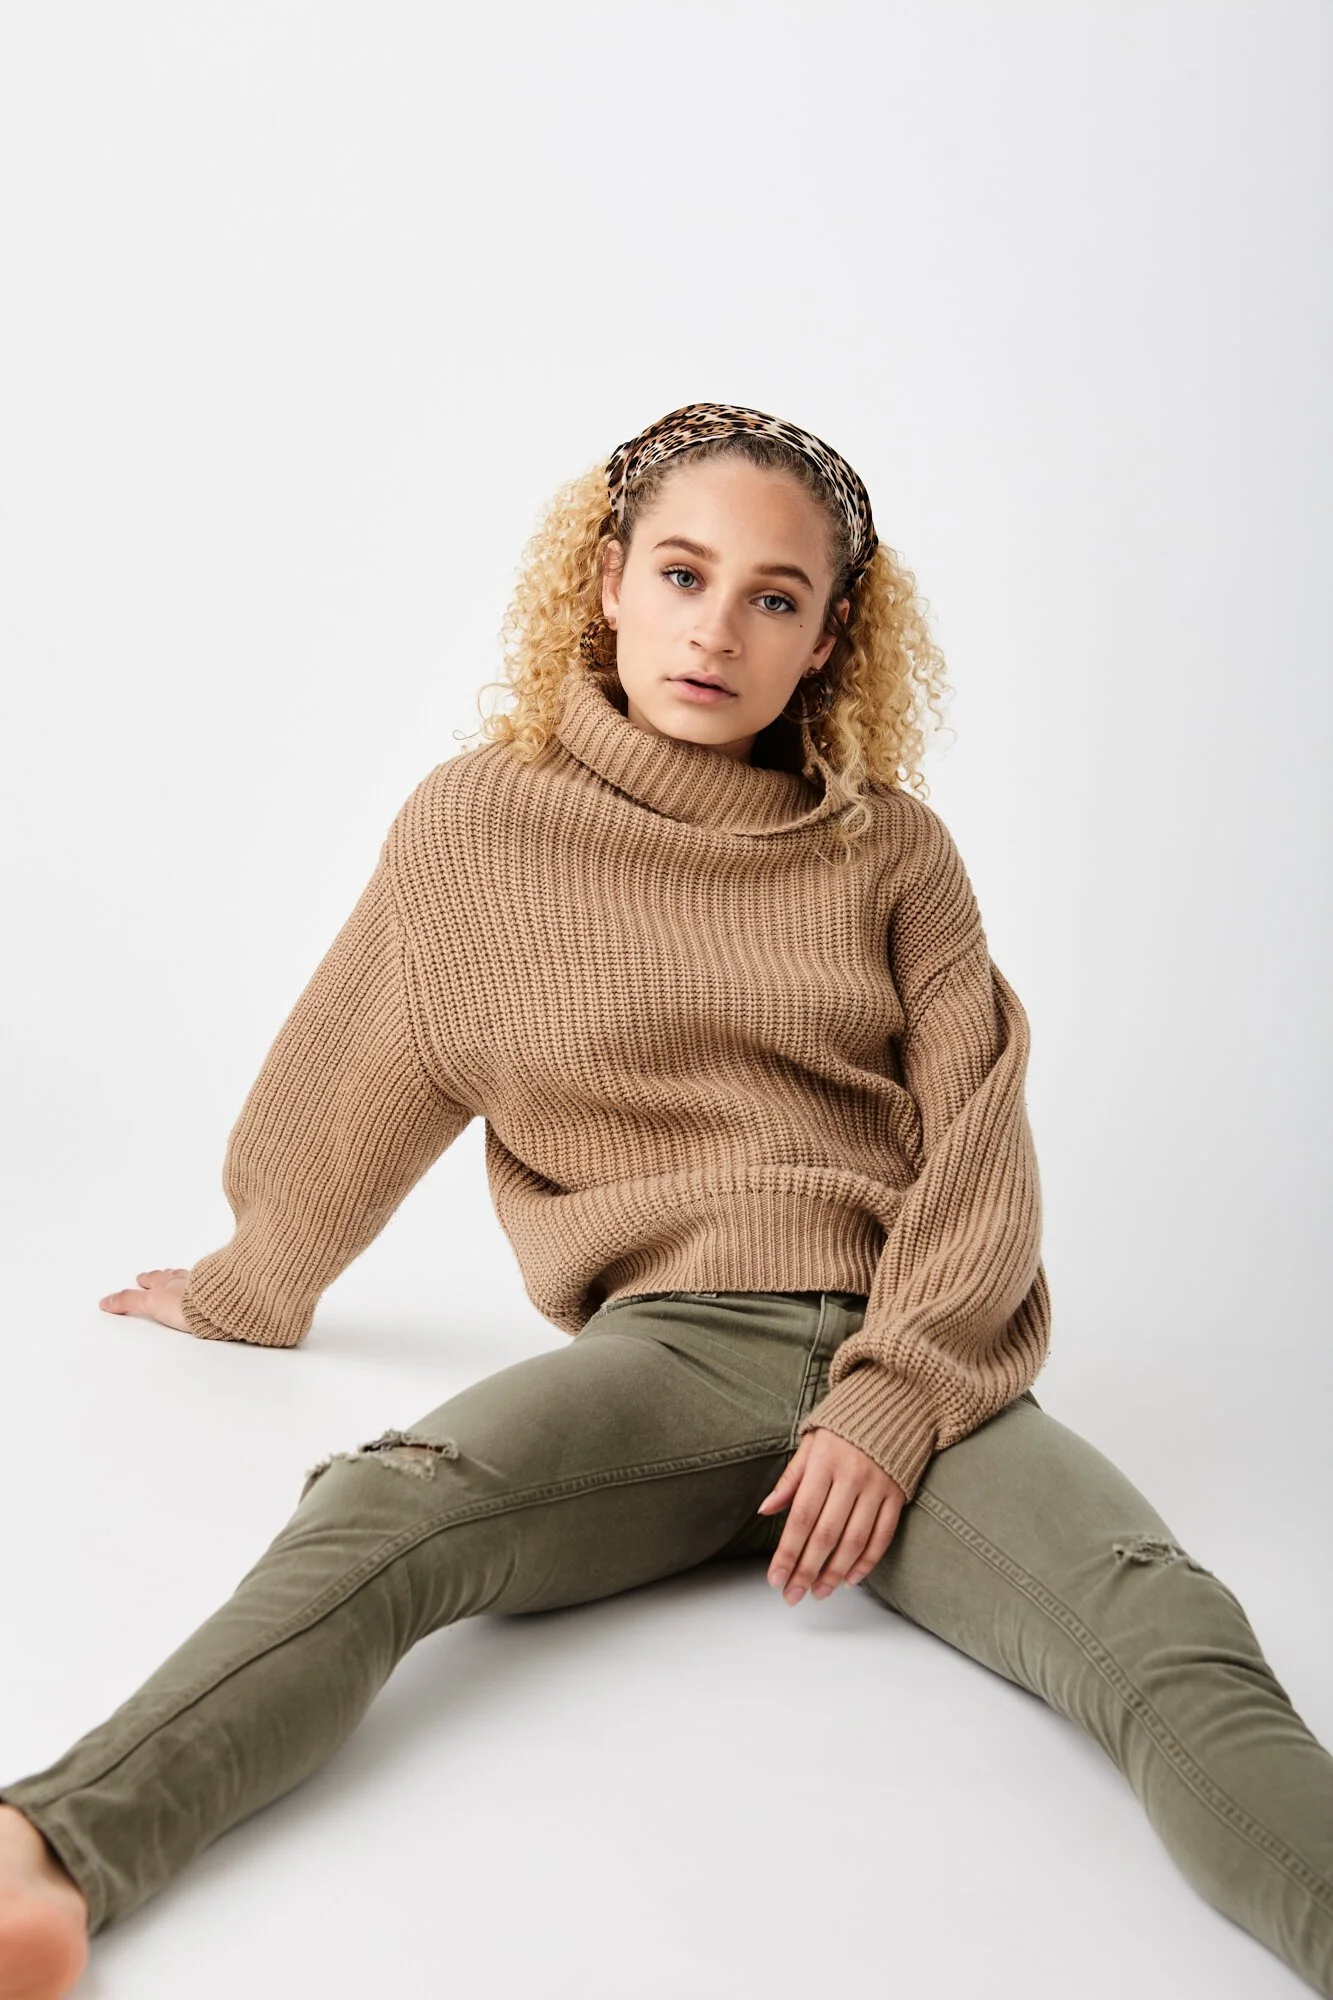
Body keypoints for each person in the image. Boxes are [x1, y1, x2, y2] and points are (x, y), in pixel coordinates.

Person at [0, 400, 1330, 1999]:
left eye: (775, 597)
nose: (718, 629)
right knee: (386, 1511)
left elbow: (981, 1141)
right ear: (607, 580)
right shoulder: (476, 831)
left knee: (1167, 1632)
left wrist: (894, 1400)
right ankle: (54, 1854)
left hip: (926, 1362)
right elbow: (353, 1083)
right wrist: (245, 1282)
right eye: (685, 574)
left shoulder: (894, 851)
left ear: (830, 638)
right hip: (669, 1355)